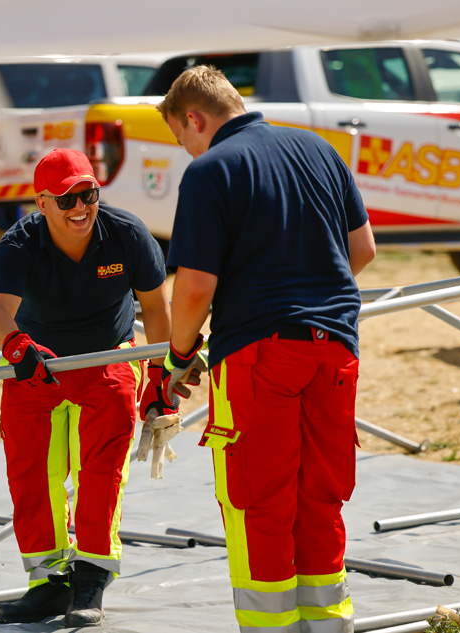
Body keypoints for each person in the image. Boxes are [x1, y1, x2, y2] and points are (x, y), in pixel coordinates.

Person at [156, 66, 377, 633]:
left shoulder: (210, 171)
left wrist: (179, 356)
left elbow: (195, 289)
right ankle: (329, 624)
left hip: (259, 357)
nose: (188, 151)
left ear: (194, 119)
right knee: (319, 499)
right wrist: (310, 292)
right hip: (334, 349)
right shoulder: (318, 148)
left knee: (259, 503)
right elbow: (363, 249)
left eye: (184, 140)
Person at [0, 148, 176, 627]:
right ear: (42, 202)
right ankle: (48, 584)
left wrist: (160, 377)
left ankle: (89, 581)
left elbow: (155, 308)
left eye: (88, 194)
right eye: (67, 199)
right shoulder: (18, 243)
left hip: (108, 359)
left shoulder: (128, 234)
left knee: (100, 473)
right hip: (36, 367)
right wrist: (16, 346)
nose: (80, 208)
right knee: (32, 477)